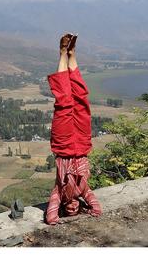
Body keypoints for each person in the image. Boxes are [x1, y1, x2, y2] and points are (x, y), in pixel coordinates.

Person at [45, 33, 102, 225]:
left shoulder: (59, 192)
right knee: (81, 99)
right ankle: (72, 54)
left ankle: (62, 53)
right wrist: (88, 211)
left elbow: (51, 218)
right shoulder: (84, 191)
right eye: (74, 210)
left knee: (64, 101)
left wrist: (59, 220)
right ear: (80, 205)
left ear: (62, 207)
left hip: (63, 146)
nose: (72, 208)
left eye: (68, 210)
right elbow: (97, 208)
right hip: (82, 143)